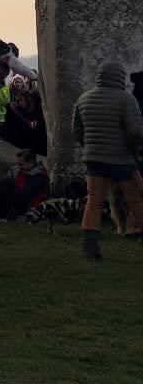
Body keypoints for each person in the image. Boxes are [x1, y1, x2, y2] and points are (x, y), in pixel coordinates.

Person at [70, 60, 143, 261]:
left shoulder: (84, 99)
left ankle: (90, 247)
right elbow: (136, 131)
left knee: (94, 201)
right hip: (122, 159)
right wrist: (136, 149)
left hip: (94, 159)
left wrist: (91, 146)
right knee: (136, 199)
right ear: (120, 77)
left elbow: (76, 131)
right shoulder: (126, 100)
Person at [0, 150, 48, 220]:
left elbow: (26, 195)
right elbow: (1, 185)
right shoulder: (17, 170)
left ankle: (0, 211)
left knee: (8, 182)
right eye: (18, 163)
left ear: (31, 162)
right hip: (12, 200)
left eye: (21, 164)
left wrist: (1, 206)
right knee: (2, 185)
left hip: (25, 205)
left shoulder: (38, 176)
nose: (18, 166)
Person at [1, 86, 48, 155]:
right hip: (22, 142)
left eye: (23, 100)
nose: (21, 103)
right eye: (20, 101)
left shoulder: (37, 111)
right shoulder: (16, 110)